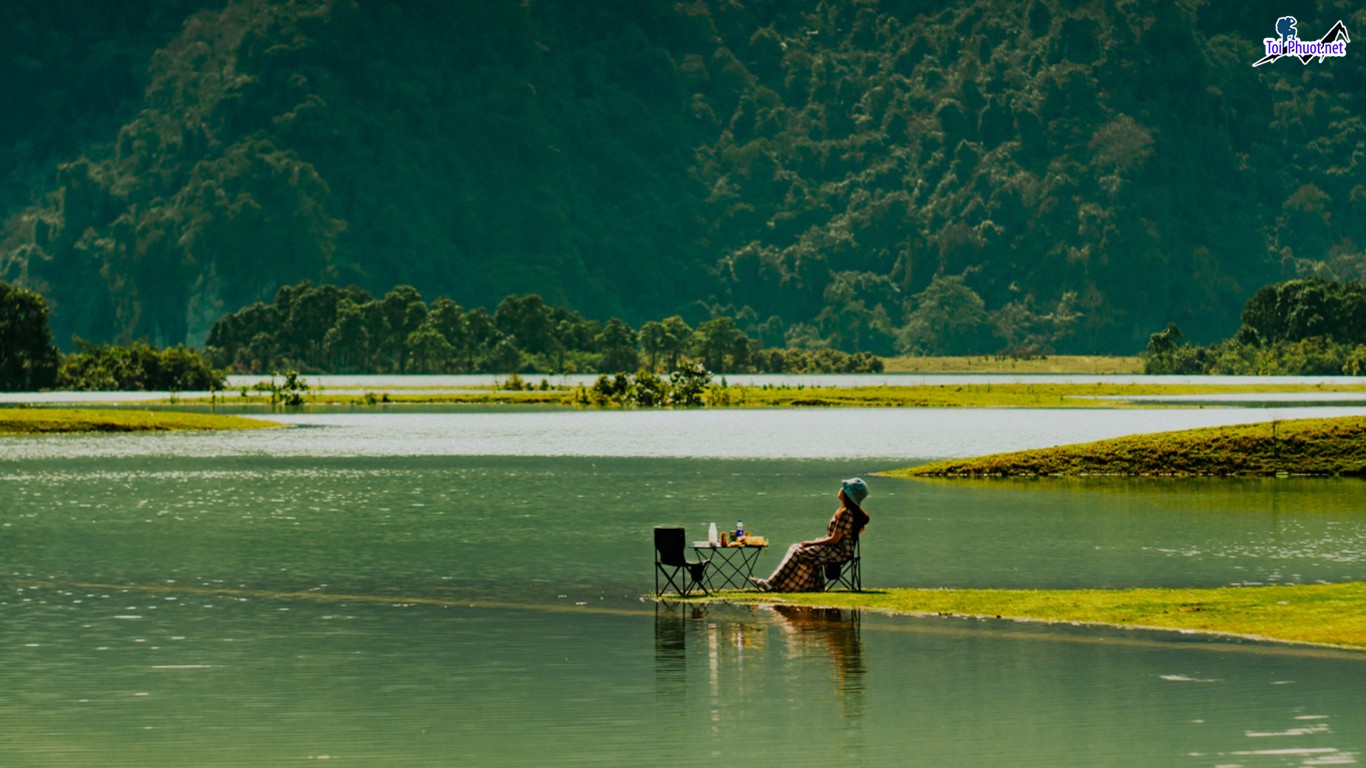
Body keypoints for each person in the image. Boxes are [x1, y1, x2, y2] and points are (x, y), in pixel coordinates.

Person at [750, 477, 869, 592]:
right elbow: (833, 537)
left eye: (844, 488)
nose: (840, 489)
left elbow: (834, 539)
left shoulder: (846, 513)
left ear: (847, 494)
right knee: (796, 547)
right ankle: (809, 586)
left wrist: (812, 542)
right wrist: (815, 542)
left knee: (798, 552)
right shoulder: (845, 511)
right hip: (835, 548)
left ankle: (771, 583)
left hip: (839, 551)